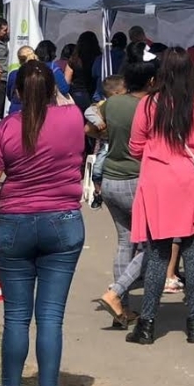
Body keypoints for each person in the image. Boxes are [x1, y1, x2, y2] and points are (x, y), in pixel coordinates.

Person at [0, 60, 86, 386]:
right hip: (64, 221)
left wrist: (3, 212)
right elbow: (70, 106)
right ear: (53, 90)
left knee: (16, 317)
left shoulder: (6, 129)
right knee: (51, 316)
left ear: (17, 93)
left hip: (15, 223)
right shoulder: (73, 119)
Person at [124, 47, 194, 347]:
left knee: (157, 254)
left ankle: (146, 324)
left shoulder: (149, 103)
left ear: (162, 71)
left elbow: (135, 146)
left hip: (158, 182)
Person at [97, 43, 156, 329]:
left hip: (110, 177)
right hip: (135, 178)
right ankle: (116, 292)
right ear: (151, 81)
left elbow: (93, 127)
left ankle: (122, 306)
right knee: (153, 245)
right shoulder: (148, 107)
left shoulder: (112, 103)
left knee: (125, 241)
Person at [85, 75, 127, 209]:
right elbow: (88, 111)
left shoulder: (125, 105)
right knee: (98, 169)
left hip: (119, 140)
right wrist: (98, 121)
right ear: (116, 93)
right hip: (106, 141)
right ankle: (98, 192)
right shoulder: (102, 104)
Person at [65, 31, 102, 113]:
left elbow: (67, 80)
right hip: (94, 93)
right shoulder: (99, 59)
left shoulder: (73, 59)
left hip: (77, 93)